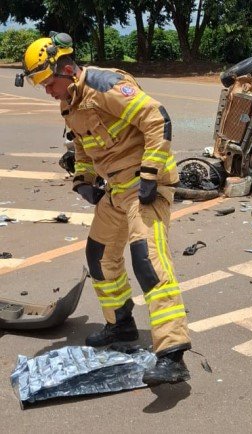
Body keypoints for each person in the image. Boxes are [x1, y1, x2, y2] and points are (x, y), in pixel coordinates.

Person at [17, 33, 191, 386]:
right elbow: (82, 145)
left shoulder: (104, 85)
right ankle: (120, 325)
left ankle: (173, 354)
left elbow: (157, 119)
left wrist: (150, 173)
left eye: (49, 83)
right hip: (118, 190)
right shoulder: (70, 102)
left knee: (148, 261)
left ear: (67, 70)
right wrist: (83, 179)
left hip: (144, 186)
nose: (48, 91)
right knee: (99, 254)